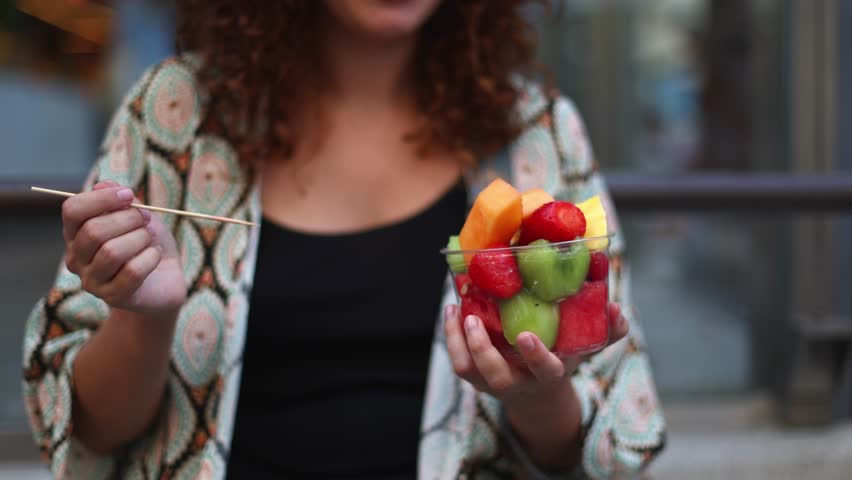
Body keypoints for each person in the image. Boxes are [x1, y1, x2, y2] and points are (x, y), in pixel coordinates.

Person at [22, 1, 666, 478]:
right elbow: (95, 435)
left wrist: (538, 394)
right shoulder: (175, 115)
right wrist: (144, 318)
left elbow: (597, 445)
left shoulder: (535, 132)